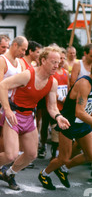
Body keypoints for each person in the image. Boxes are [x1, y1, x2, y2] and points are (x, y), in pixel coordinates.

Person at [0, 46, 70, 190]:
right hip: (14, 115)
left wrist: (58, 117)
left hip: (28, 116)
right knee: (10, 155)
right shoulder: (28, 75)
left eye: (58, 62)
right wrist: (7, 110)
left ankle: (10, 174)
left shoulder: (53, 82)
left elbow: (52, 107)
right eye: (53, 62)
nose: (57, 65)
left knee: (32, 154)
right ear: (43, 60)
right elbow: (2, 86)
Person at [38, 62, 92, 190]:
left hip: (83, 124)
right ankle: (44, 174)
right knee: (63, 157)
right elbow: (79, 112)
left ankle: (63, 169)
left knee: (90, 156)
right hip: (69, 123)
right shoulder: (85, 84)